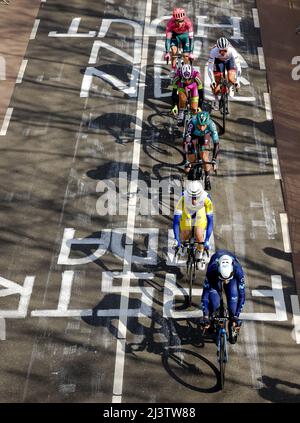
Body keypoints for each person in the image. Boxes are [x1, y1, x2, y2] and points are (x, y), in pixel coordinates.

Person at [201, 250, 246, 344]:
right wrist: (205, 315)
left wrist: (236, 315)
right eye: (223, 279)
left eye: (227, 279)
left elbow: (242, 296)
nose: (225, 281)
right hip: (214, 279)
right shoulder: (211, 270)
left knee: (233, 303)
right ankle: (213, 324)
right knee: (214, 304)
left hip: (232, 280)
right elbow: (205, 296)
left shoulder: (238, 270)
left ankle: (232, 325)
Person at [173, 180, 214, 267]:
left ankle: (199, 255)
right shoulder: (182, 197)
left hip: (200, 212)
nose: (194, 201)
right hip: (187, 213)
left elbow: (210, 221)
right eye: (191, 197)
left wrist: (206, 240)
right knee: (184, 234)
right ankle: (183, 249)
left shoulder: (207, 198)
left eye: (196, 197)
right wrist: (176, 239)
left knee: (199, 235)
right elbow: (176, 221)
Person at [184, 111, 219, 191]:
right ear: (197, 122)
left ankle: (207, 176)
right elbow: (186, 142)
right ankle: (191, 168)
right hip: (193, 136)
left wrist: (214, 160)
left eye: (204, 125)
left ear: (207, 123)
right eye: (199, 125)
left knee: (204, 156)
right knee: (191, 159)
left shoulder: (211, 125)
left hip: (204, 136)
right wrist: (187, 161)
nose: (202, 127)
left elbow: (216, 144)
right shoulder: (192, 123)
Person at [207, 37, 242, 109]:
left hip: (229, 60)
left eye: (225, 51)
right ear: (218, 49)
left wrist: (237, 81)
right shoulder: (213, 51)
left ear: (228, 48)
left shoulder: (232, 51)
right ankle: (215, 99)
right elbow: (209, 67)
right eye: (220, 51)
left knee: (231, 78)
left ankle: (231, 86)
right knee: (216, 81)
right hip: (218, 61)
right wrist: (212, 80)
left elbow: (238, 67)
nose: (223, 53)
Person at [164, 8, 195, 77]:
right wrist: (167, 53)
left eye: (181, 21)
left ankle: (186, 70)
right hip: (175, 36)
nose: (179, 23)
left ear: (184, 19)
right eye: (177, 21)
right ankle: (174, 69)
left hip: (185, 36)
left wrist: (191, 53)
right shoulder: (170, 24)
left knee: (186, 56)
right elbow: (168, 39)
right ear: (174, 20)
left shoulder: (188, 22)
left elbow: (191, 39)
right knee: (174, 51)